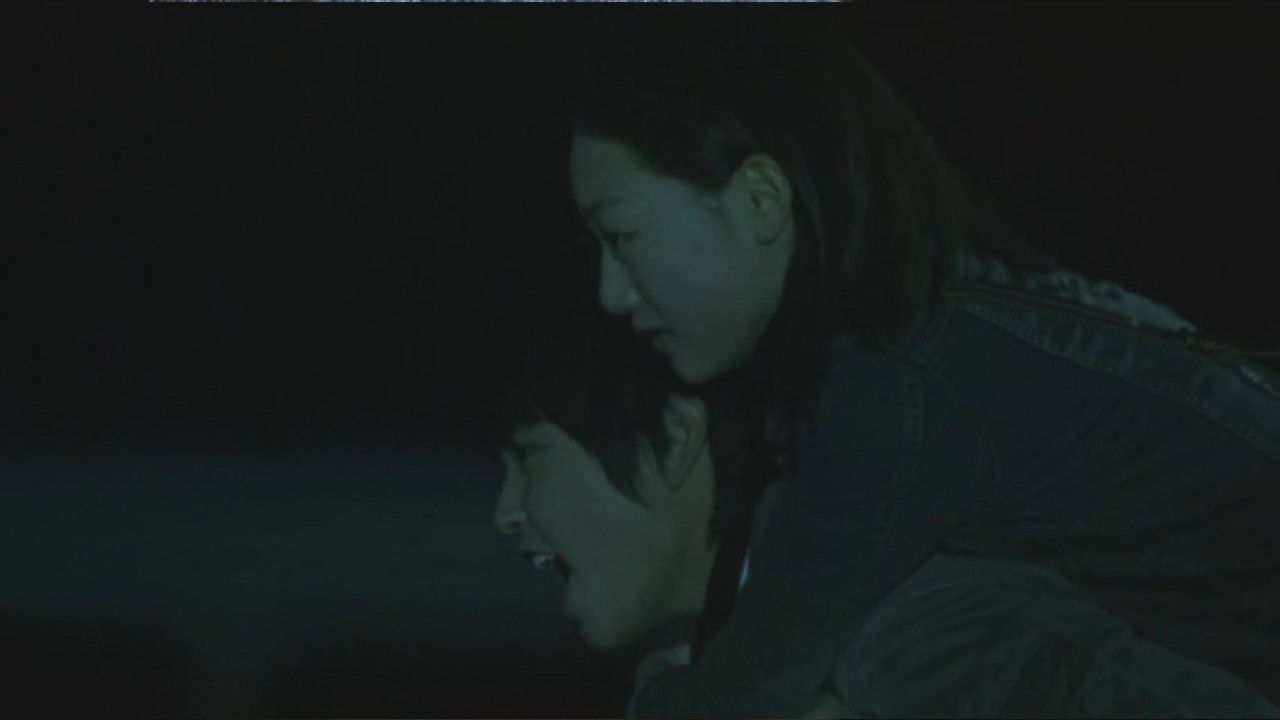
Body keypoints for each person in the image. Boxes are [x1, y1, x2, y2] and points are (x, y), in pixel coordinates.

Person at [560, 12, 1280, 718]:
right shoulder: (945, 320)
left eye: (621, 237)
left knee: (884, 627)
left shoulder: (894, 384)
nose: (609, 292)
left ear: (760, 199)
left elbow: (750, 693)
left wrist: (658, 693)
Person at [489, 320, 1277, 718]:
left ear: (673, 439)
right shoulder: (752, 649)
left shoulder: (893, 625)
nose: (505, 513)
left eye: (529, 456)